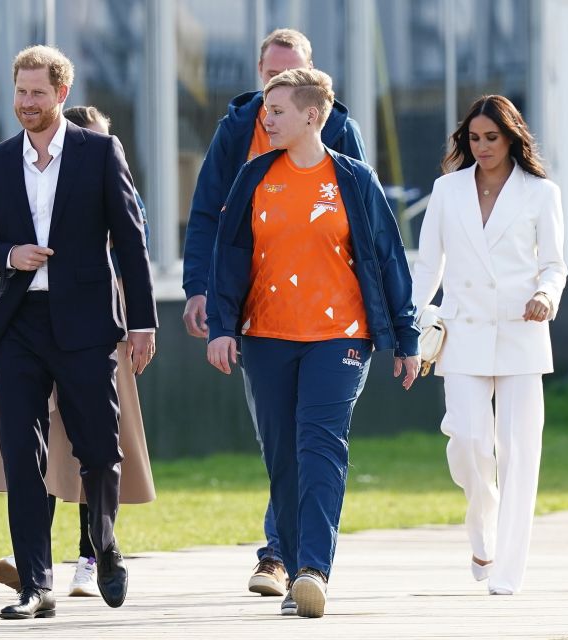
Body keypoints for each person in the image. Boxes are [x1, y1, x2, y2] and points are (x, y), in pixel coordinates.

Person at [205, 68, 420, 618]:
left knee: (320, 445)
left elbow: (389, 257)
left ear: (312, 115)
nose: (266, 119)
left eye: (277, 110)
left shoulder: (353, 178)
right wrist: (223, 327)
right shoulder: (254, 176)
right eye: (266, 110)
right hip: (266, 337)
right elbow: (228, 257)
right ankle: (297, 560)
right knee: (282, 455)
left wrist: (406, 336)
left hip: (340, 338)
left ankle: (311, 571)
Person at [0, 46, 157, 619]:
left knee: (99, 448)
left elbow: (130, 242)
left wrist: (142, 322)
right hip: (21, 324)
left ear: (61, 95)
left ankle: (104, 543)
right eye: (20, 92)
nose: (26, 103)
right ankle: (35, 583)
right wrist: (9, 254)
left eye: (38, 94)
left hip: (88, 324)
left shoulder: (100, 153)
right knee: (21, 451)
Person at [181, 27, 368, 597]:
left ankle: (289, 560)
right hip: (257, 311)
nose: (274, 89)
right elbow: (209, 215)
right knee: (282, 441)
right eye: (268, 76)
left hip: (329, 321)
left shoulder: (340, 134)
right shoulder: (239, 131)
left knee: (314, 438)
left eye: (287, 76)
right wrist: (201, 291)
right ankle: (284, 553)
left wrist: (391, 324)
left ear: (313, 86)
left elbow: (366, 224)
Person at [411, 94, 567, 596]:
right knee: (471, 443)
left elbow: (554, 265)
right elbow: (427, 265)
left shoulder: (541, 193)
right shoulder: (446, 190)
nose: (482, 147)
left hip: (522, 332)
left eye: (492, 138)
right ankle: (482, 526)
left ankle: (508, 572)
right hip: (463, 332)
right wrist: (415, 326)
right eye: (474, 138)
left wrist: (546, 294)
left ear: (512, 137)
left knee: (520, 453)